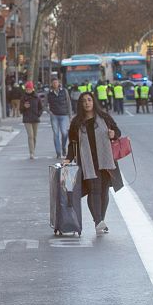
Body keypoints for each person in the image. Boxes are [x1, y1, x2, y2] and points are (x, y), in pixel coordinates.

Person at [64, 92, 124, 235]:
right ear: (80, 104)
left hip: (105, 160)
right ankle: (97, 221)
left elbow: (118, 132)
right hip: (87, 162)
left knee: (104, 191)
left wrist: (113, 134)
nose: (87, 103)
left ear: (93, 102)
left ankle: (101, 220)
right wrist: (68, 158)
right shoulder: (76, 122)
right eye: (84, 101)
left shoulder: (104, 117)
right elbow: (73, 144)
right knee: (94, 190)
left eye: (89, 100)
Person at [46, 77, 71, 159]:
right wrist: (49, 112)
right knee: (56, 134)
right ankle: (58, 152)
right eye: (53, 83)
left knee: (64, 133)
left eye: (56, 82)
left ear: (59, 83)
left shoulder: (64, 91)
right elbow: (44, 105)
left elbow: (68, 103)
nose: (55, 84)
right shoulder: (49, 93)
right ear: (51, 84)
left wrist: (70, 116)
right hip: (54, 116)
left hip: (64, 115)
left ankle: (64, 147)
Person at [21, 81, 44, 159]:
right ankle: (32, 153)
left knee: (34, 136)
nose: (28, 90)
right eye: (27, 89)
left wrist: (38, 114)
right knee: (30, 136)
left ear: (32, 89)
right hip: (27, 119)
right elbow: (20, 110)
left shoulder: (37, 97)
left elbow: (41, 108)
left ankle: (33, 150)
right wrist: (24, 107)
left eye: (29, 89)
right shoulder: (23, 97)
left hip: (35, 119)